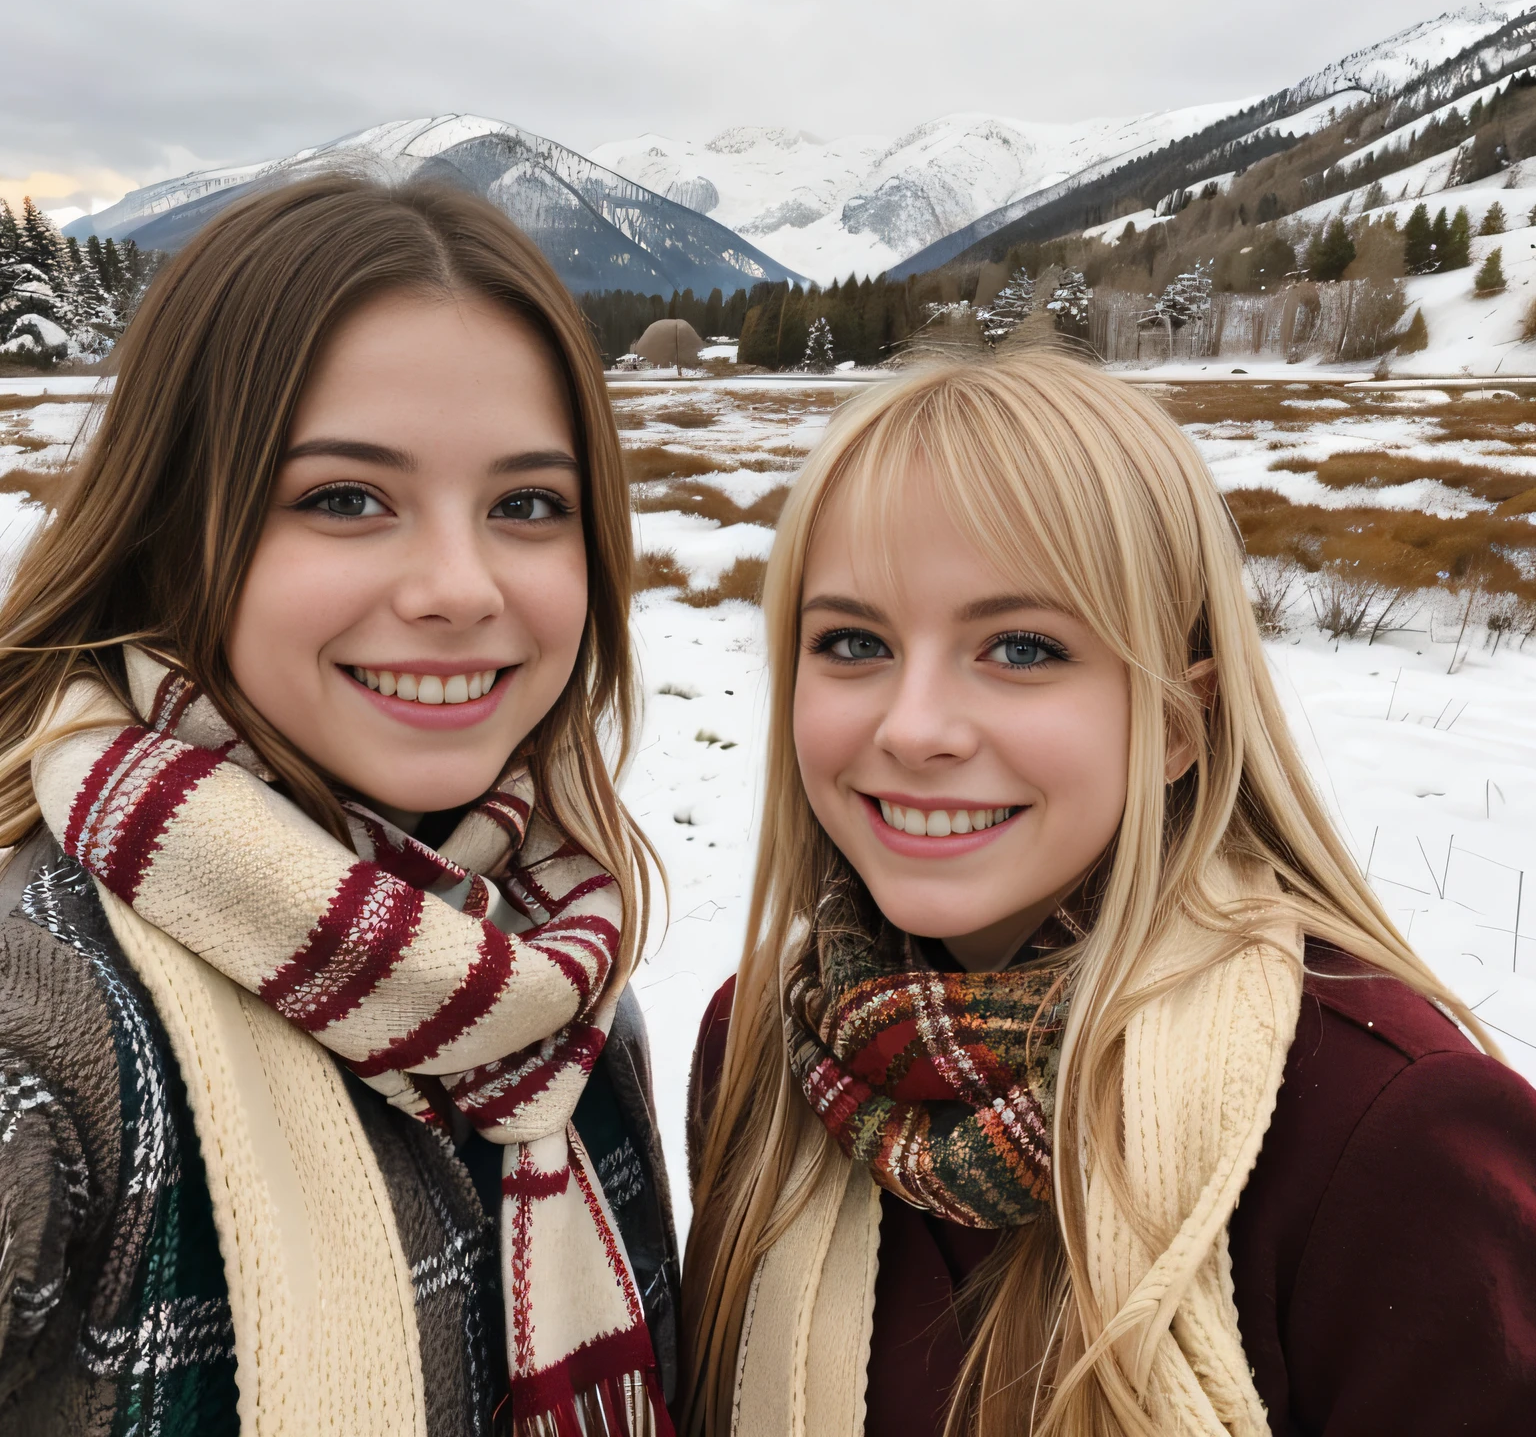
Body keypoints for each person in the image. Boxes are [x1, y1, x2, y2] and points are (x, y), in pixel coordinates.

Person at [682, 355, 1536, 1437]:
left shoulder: (1381, 1138)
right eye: (855, 643)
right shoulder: (762, 1051)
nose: (913, 726)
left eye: (1023, 648)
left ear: (1180, 722)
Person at [0, 176, 678, 1437]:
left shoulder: (552, 970)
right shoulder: (43, 1030)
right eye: (345, 499)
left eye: (529, 505)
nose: (459, 588)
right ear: (168, 525)